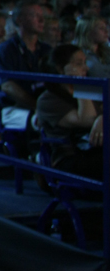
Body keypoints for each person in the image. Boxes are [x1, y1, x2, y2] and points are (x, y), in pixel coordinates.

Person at [35, 45, 103, 181]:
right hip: (71, 157)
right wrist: (79, 83)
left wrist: (103, 117)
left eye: (85, 62)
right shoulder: (48, 100)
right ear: (61, 69)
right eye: (79, 64)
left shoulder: (89, 89)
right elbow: (87, 119)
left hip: (95, 150)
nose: (86, 68)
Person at [0, 1, 51, 130]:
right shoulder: (6, 50)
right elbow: (7, 86)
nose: (41, 20)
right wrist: (37, 106)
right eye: (34, 15)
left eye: (41, 16)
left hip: (43, 105)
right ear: (19, 20)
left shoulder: (46, 50)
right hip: (14, 108)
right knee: (48, 121)